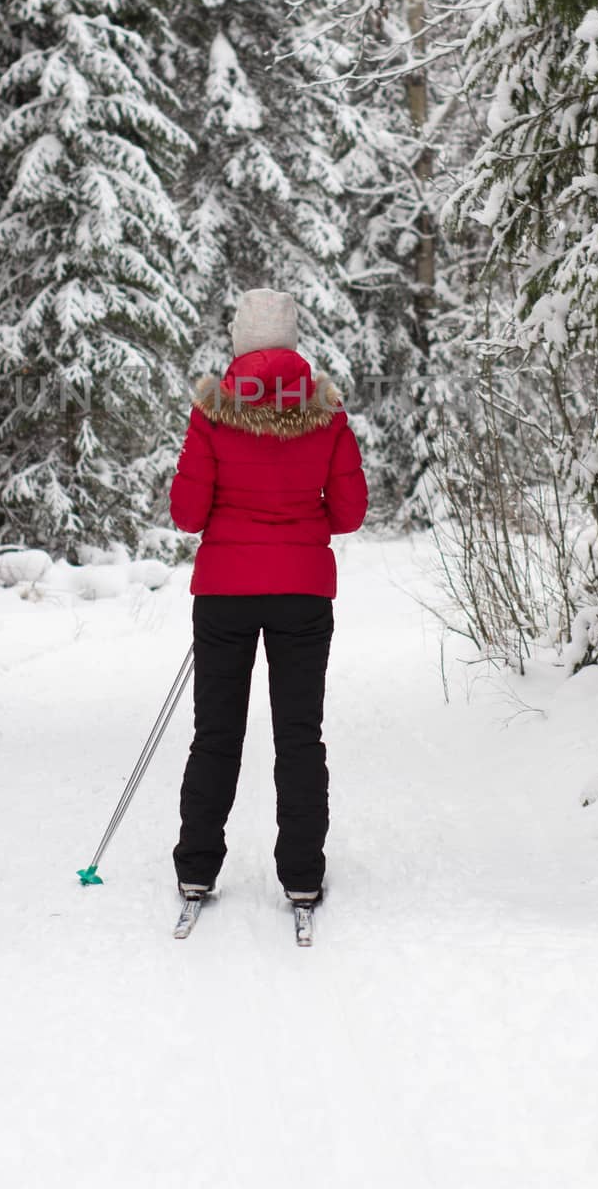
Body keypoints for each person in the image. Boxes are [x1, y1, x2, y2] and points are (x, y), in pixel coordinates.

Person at [168, 288, 367, 909]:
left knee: (215, 734)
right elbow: (352, 512)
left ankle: (197, 867)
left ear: (240, 341)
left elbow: (186, 512)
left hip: (224, 593)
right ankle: (302, 874)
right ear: (291, 340)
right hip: (303, 593)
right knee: (299, 735)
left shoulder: (213, 411)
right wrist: (302, 524)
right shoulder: (326, 409)